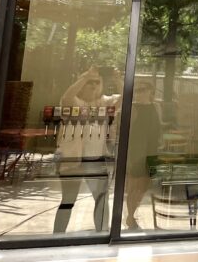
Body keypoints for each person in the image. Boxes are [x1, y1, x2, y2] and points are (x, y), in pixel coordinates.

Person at [54, 66, 119, 234]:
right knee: (68, 200)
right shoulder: (74, 102)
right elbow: (66, 97)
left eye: (97, 82)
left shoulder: (105, 102)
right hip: (72, 159)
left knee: (101, 200)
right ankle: (57, 237)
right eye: (89, 82)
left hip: (95, 160)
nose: (93, 85)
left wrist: (118, 79)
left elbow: (126, 99)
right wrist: (84, 77)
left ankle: (103, 235)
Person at [123, 80, 162, 230]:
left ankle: (131, 215)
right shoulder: (132, 108)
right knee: (134, 186)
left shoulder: (156, 106)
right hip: (136, 150)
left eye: (142, 89)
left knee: (144, 185)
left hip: (152, 150)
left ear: (150, 91)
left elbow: (159, 126)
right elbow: (128, 131)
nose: (139, 92)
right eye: (137, 90)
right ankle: (130, 217)